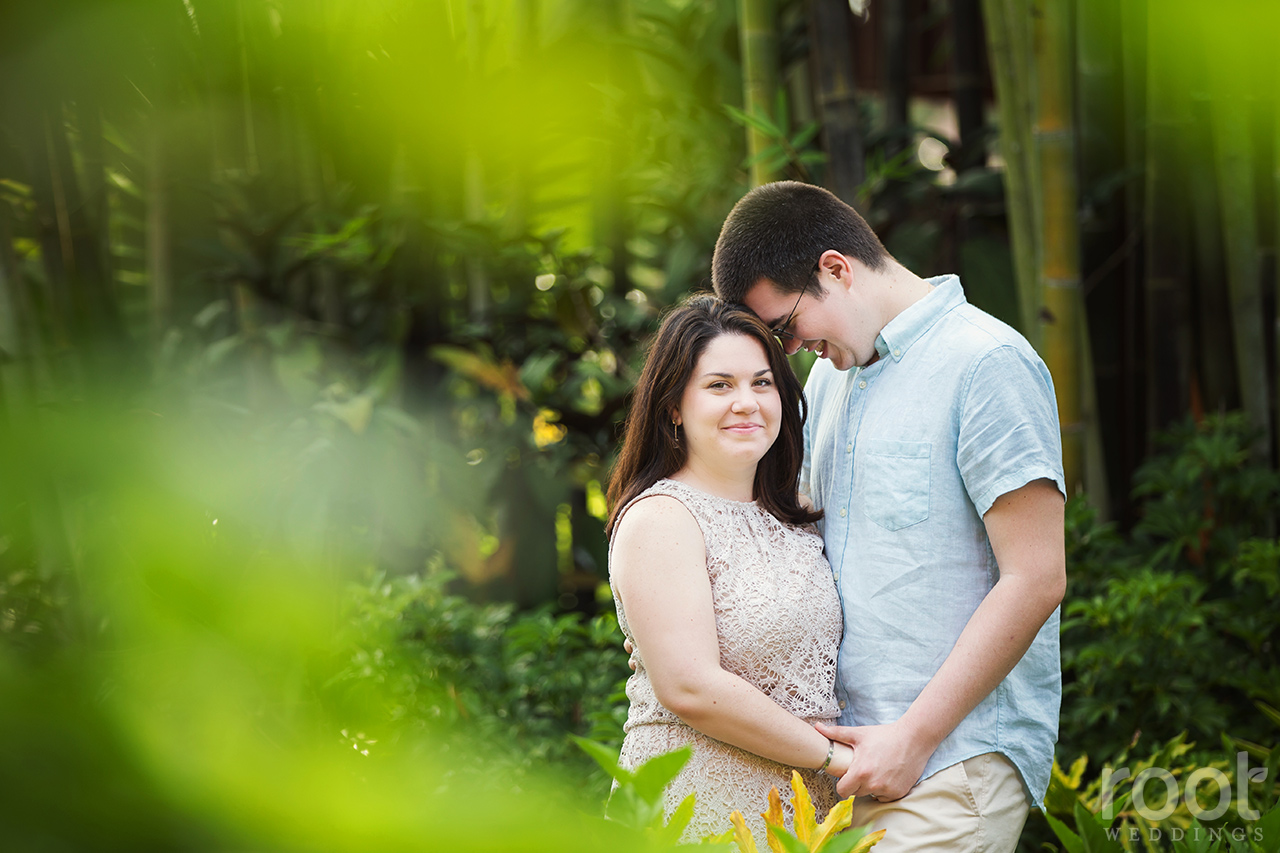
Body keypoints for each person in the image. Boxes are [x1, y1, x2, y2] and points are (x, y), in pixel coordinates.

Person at [710, 180, 1067, 853]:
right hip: (844, 764)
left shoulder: (986, 362)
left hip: (948, 759)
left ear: (835, 269)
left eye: (784, 327)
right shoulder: (830, 378)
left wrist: (915, 736)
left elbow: (1037, 578)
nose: (784, 350)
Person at [605, 294, 856, 841]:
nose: (746, 402)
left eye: (762, 383)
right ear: (673, 405)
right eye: (719, 385)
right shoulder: (660, 519)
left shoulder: (793, 519)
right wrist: (836, 758)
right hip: (699, 806)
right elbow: (690, 687)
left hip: (804, 812)